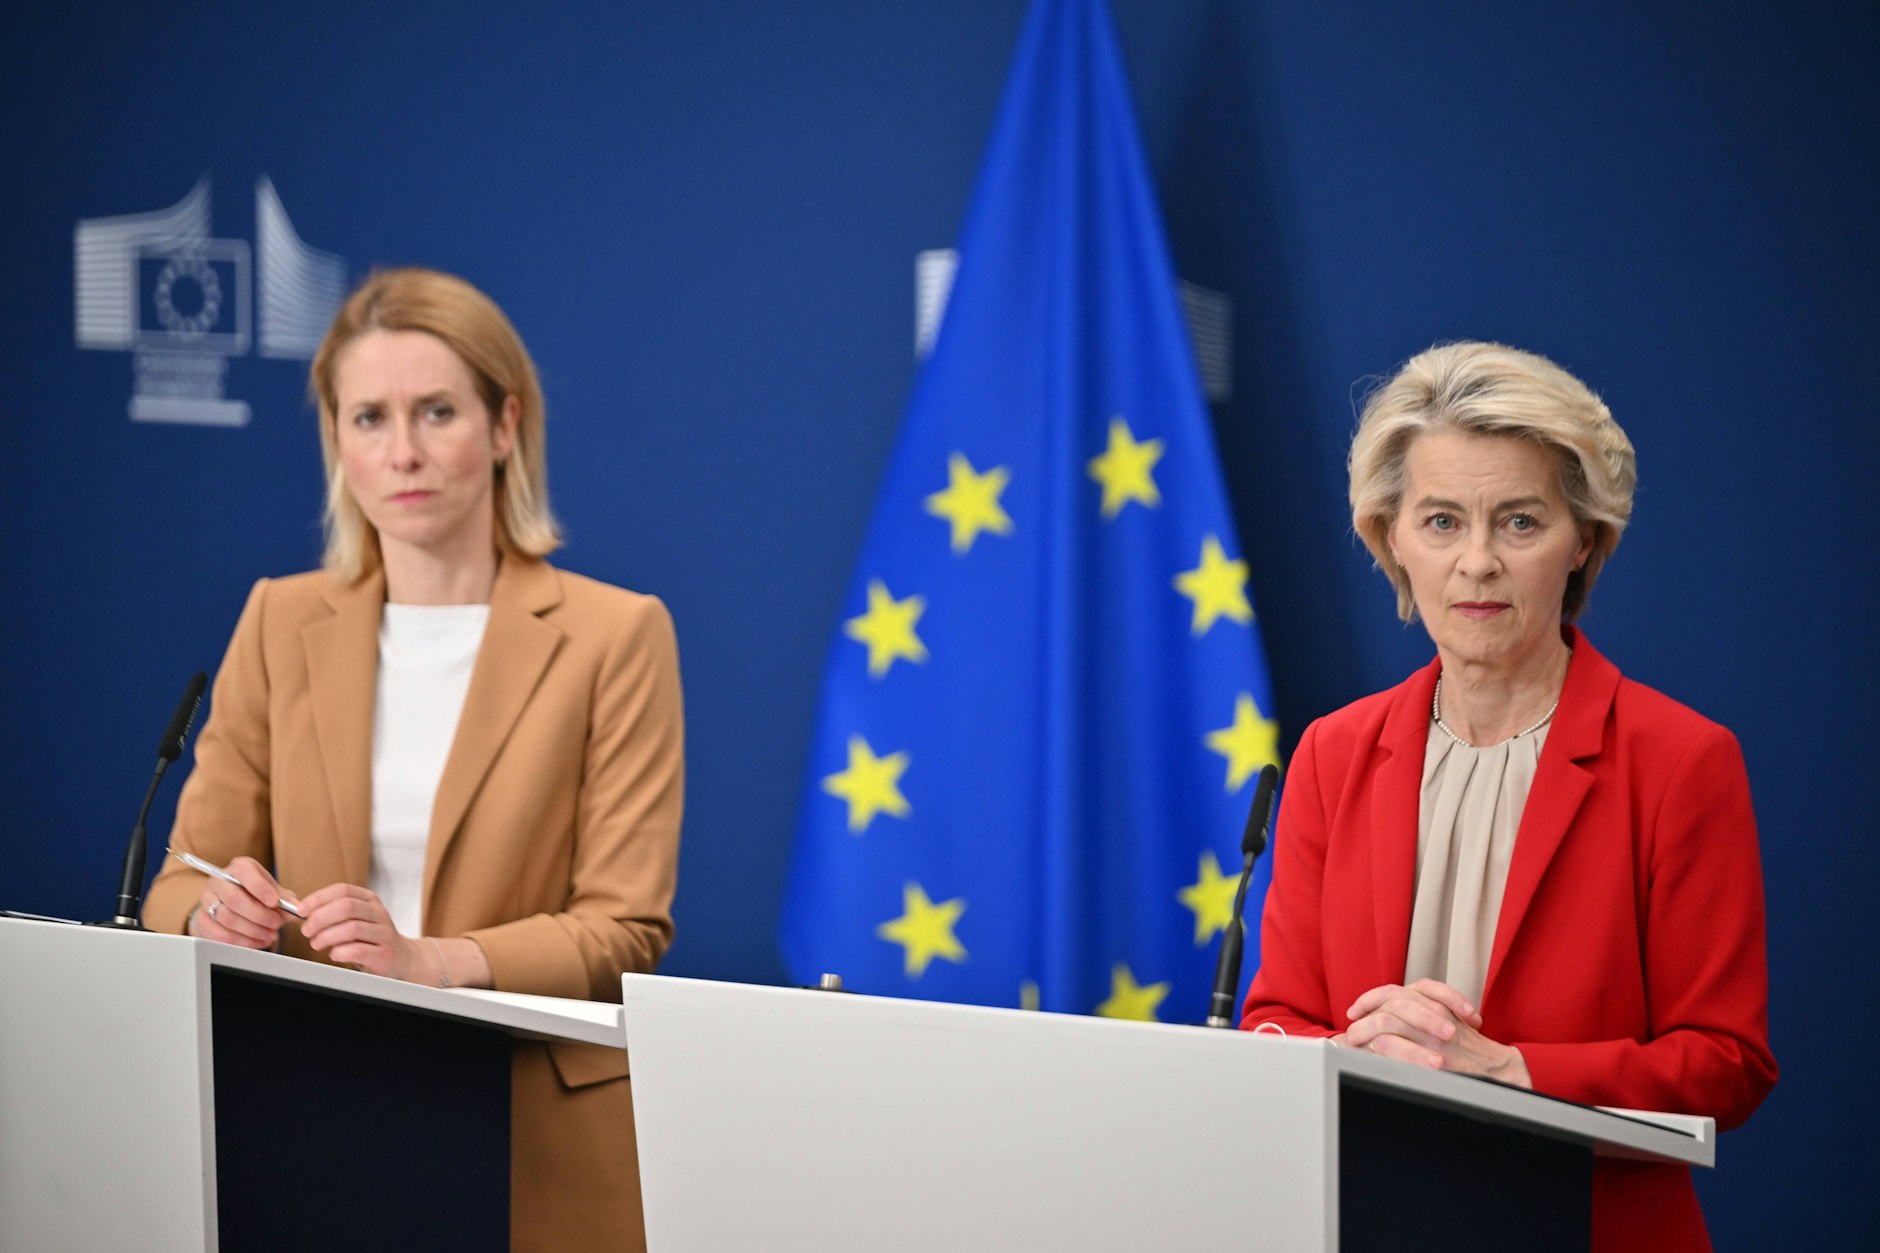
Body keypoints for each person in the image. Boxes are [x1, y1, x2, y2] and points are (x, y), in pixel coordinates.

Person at [142, 267, 683, 1252]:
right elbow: (178, 883)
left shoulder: (618, 632)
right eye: (367, 418)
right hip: (310, 1105)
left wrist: (427, 960)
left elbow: (625, 927)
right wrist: (217, 911)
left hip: (533, 1126)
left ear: (505, 425)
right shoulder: (279, 615)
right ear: (335, 440)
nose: (401, 451)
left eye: (436, 411)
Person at [1241, 342, 1775, 1251]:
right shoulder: (1334, 751)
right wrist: (1353, 1051)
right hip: (1356, 1217)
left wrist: (1511, 1070)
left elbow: (1727, 1062)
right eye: (1442, 520)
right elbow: (1278, 1017)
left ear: (1583, 542)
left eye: (1519, 522)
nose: (1477, 561)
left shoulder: (1681, 760)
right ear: (1391, 539)